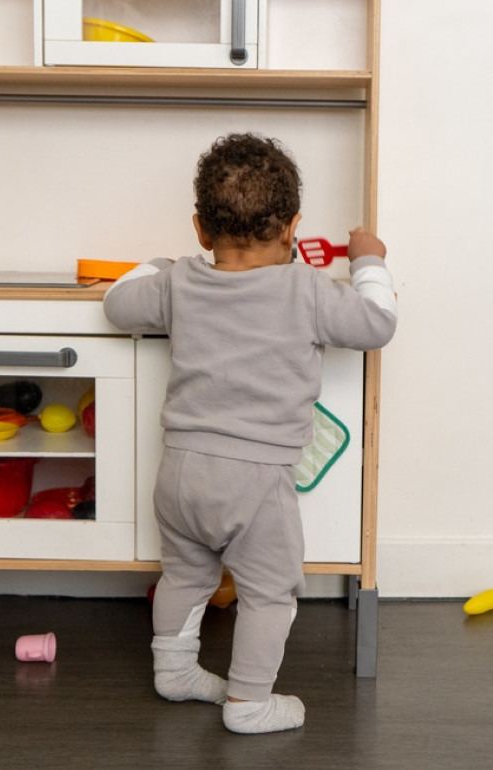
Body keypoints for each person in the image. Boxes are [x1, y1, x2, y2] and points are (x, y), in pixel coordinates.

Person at [102, 133, 397, 734]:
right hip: (257, 483)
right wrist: (368, 260)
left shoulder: (181, 282)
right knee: (268, 592)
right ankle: (248, 702)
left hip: (179, 472)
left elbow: (117, 303)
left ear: (200, 229)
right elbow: (376, 324)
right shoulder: (307, 290)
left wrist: (158, 264)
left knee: (185, 575)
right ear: (292, 229)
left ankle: (175, 672)